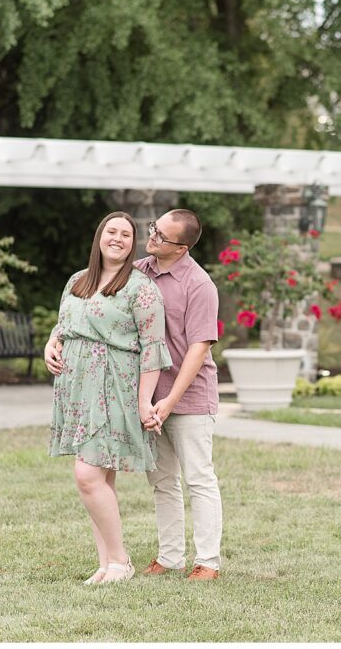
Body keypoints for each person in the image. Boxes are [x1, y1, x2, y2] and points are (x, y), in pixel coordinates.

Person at [44, 211, 172, 585]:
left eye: (126, 235)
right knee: (101, 479)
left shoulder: (140, 287)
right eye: (111, 231)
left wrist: (144, 401)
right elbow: (65, 322)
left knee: (87, 475)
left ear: (133, 245)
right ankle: (106, 565)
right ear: (100, 236)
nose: (118, 238)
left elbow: (153, 348)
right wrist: (52, 343)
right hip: (77, 387)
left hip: (114, 388)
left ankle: (120, 560)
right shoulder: (77, 280)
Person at [135, 209, 223, 581]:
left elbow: (198, 348)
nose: (152, 236)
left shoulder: (199, 285)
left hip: (188, 399)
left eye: (161, 236)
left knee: (199, 478)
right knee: (161, 480)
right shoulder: (139, 270)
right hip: (148, 396)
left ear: (182, 247)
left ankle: (208, 562)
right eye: (154, 228)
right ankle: (169, 558)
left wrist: (170, 402)